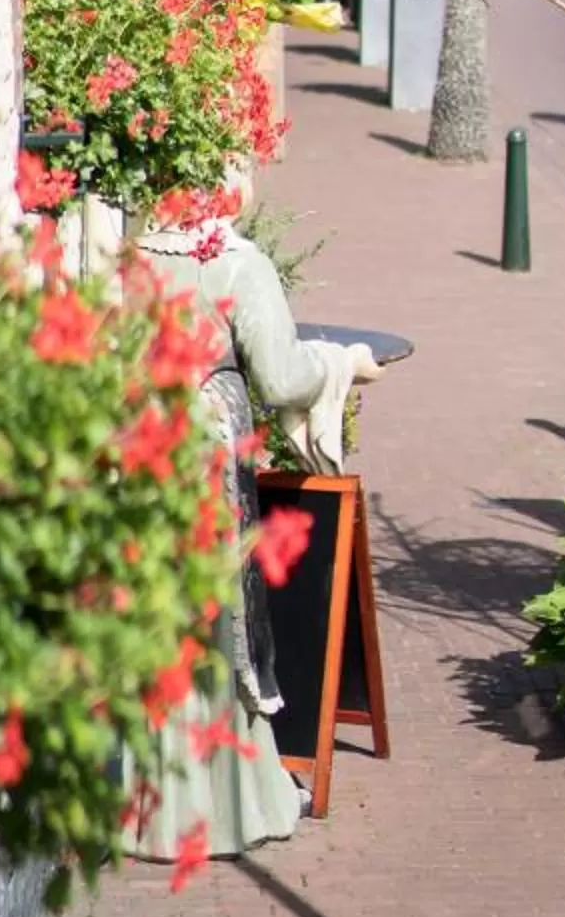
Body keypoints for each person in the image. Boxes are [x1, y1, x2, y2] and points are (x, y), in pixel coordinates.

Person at [132, 189, 384, 862]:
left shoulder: (127, 257)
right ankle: (228, 809)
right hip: (204, 451)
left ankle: (142, 809)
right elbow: (281, 375)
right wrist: (345, 363)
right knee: (219, 625)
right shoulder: (236, 263)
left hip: (138, 443)